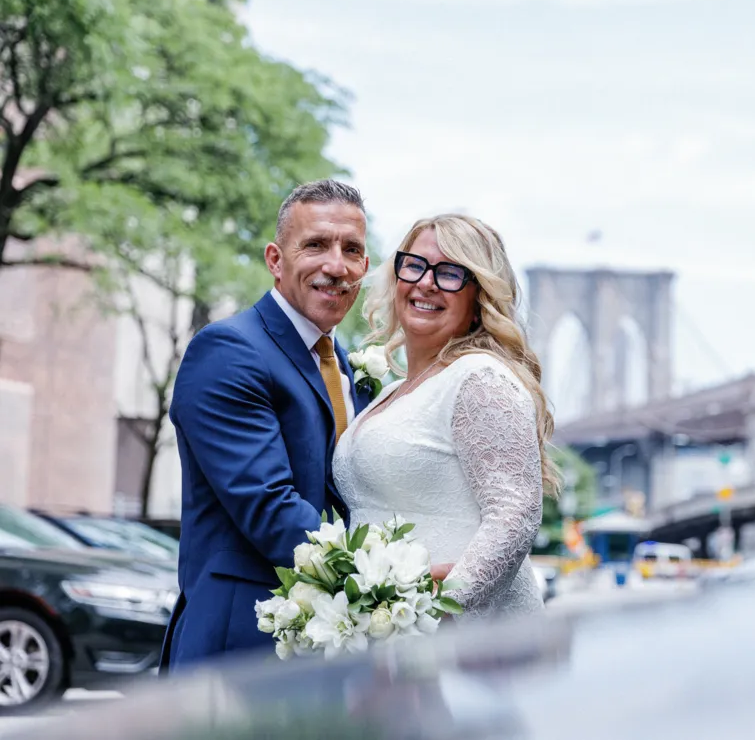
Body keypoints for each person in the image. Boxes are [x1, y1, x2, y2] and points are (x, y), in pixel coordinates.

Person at [160, 180, 374, 670]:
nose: (336, 265)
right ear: (276, 259)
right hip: (241, 648)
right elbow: (271, 510)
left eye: (353, 250)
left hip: (329, 651)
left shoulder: (351, 369)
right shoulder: (229, 351)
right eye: (316, 245)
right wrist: (387, 579)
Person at [333, 213, 559, 619]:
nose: (426, 282)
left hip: (464, 640)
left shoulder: (480, 377)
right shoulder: (391, 392)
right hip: (393, 637)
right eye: (415, 265)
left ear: (480, 296)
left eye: (451, 273)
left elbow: (516, 514)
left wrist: (439, 608)